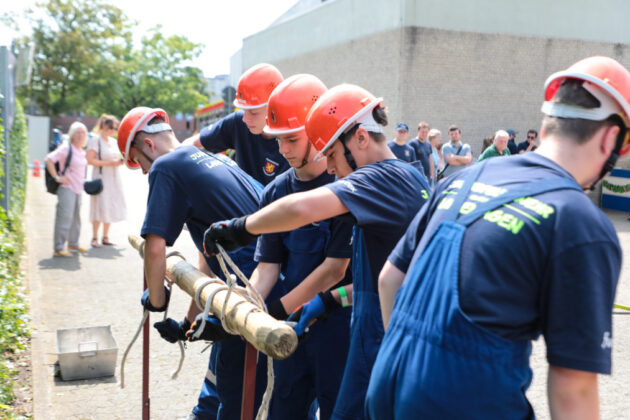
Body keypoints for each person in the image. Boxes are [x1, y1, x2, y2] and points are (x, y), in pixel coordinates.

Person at [366, 55, 629, 419]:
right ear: (613, 138)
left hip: (387, 391)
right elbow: (575, 387)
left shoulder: (465, 179)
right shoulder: (579, 222)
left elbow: (389, 279)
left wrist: (418, 371)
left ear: (548, 123)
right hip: (465, 405)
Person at [204, 84, 431, 420]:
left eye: (334, 155)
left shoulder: (385, 179)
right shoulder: (406, 181)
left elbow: (303, 209)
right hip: (374, 340)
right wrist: (331, 299)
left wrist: (241, 228)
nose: (331, 167)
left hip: (387, 348)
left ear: (361, 139)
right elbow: (389, 278)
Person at [117, 107, 272, 420]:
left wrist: (157, 301)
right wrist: (190, 322)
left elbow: (156, 248)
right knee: (218, 382)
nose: (146, 174)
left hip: (250, 292)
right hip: (259, 281)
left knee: (238, 395)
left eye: (141, 166)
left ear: (147, 145)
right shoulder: (218, 160)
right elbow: (209, 255)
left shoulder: (166, 167)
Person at [246, 74, 353, 420]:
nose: (283, 151)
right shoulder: (275, 193)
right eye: (277, 141)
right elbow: (268, 267)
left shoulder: (347, 188)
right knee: (284, 410)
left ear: (320, 132)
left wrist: (278, 309)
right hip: (290, 331)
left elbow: (334, 269)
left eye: (292, 139)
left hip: (339, 331)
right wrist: (246, 308)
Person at [183, 63, 289, 185]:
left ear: (275, 107)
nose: (245, 118)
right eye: (243, 110)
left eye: (253, 112)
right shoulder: (238, 123)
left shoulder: (293, 139)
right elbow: (190, 144)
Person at [45, 121, 89, 257]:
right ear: (72, 134)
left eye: (82, 132)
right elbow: (48, 159)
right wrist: (57, 177)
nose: (80, 135)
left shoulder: (82, 151)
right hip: (66, 188)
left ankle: (73, 244)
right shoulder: (66, 148)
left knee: (76, 219)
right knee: (64, 218)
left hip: (78, 189)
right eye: (77, 132)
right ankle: (58, 247)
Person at [86, 114, 126, 248]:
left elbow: (118, 158)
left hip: (114, 178)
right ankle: (94, 237)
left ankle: (106, 236)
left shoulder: (114, 142)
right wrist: (110, 163)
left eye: (115, 128)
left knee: (110, 205)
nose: (113, 131)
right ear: (104, 126)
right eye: (111, 128)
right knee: (99, 206)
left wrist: (120, 162)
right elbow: (90, 160)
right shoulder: (95, 140)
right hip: (101, 178)